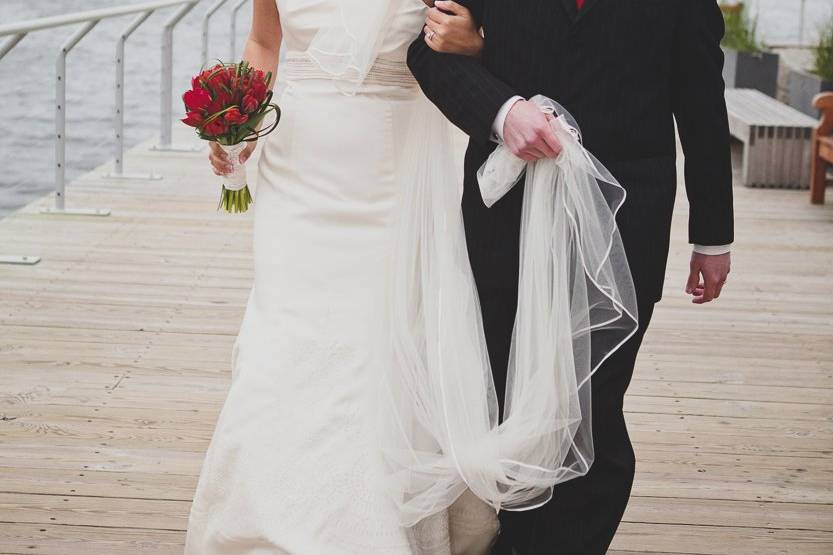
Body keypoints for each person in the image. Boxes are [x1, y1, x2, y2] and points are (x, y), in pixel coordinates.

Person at [408, 0, 734, 553]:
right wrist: (502, 110)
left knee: (594, 410)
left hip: (627, 217)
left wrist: (712, 233)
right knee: (508, 394)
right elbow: (429, 49)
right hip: (502, 215)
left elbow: (701, 95)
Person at [184, 1, 502, 553]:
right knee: (281, 334)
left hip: (389, 166)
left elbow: (480, 35)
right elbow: (264, 41)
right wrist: (241, 121)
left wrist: (475, 40)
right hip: (295, 166)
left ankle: (367, 525)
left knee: (371, 341)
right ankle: (263, 516)